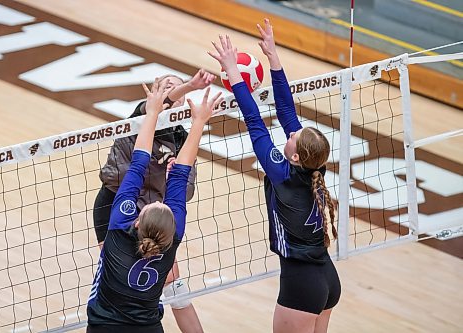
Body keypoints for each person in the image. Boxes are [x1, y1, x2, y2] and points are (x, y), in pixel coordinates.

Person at [208, 19, 340, 333]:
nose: (292, 131)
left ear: (295, 155)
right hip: (327, 280)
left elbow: (255, 120)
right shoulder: (314, 167)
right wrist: (273, 56)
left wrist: (234, 72)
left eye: (295, 136)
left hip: (302, 287)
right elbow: (285, 109)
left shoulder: (282, 174)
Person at [86, 78, 222, 333]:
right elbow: (159, 108)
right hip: (122, 205)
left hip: (144, 212)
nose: (170, 91)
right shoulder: (142, 114)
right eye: (165, 85)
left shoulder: (178, 137)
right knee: (140, 275)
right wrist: (192, 95)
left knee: (169, 283)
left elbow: (183, 184)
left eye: (176, 86)